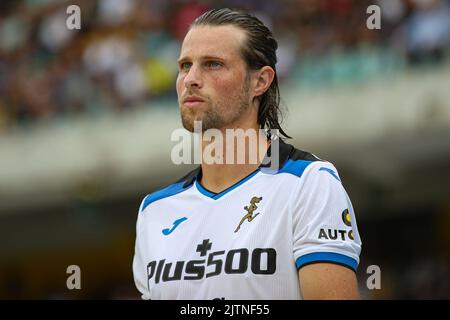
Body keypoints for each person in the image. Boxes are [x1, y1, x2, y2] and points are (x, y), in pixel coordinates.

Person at [132, 8, 362, 300]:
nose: (191, 78)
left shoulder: (308, 184)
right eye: (184, 65)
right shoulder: (154, 210)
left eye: (213, 64)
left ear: (260, 81)